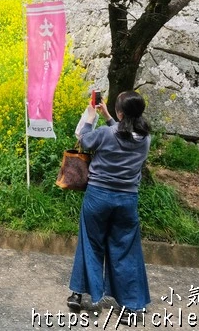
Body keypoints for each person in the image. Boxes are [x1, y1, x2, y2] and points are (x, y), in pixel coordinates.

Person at [67, 90, 151, 322]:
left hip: (98, 197)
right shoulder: (145, 139)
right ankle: (132, 308)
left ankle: (78, 295)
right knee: (125, 250)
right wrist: (109, 118)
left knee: (90, 244)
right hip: (127, 200)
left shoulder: (105, 134)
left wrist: (92, 114)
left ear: (120, 111)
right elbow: (122, 134)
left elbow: (84, 139)